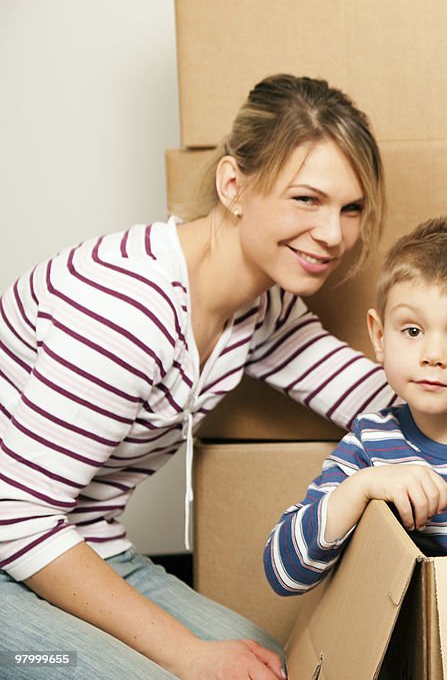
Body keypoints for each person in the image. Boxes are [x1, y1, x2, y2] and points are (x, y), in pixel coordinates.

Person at [0, 74, 398, 679]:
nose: (333, 234)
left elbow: (378, 399)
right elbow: (16, 516)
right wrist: (186, 653)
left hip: (90, 549)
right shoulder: (125, 309)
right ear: (235, 185)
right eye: (306, 200)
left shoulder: (260, 306)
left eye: (351, 208)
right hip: (14, 549)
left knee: (281, 669)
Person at [264, 217, 447, 596]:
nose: (433, 355)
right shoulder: (370, 444)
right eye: (412, 331)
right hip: (428, 641)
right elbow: (283, 573)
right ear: (380, 336)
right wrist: (362, 487)